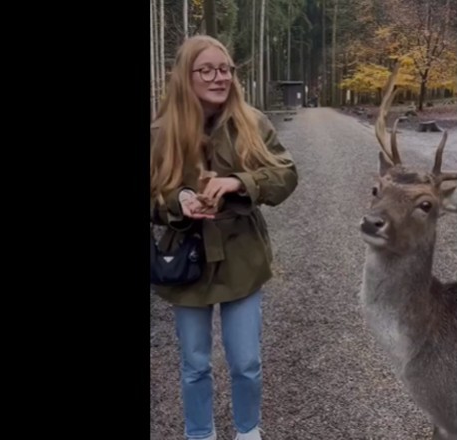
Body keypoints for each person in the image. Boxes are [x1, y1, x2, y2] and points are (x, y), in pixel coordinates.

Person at [150, 35, 298, 440]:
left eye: (226, 70)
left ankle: (248, 431)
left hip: (242, 259)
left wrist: (239, 182)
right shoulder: (161, 131)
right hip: (186, 262)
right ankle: (199, 433)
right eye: (208, 70)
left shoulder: (252, 122)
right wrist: (178, 200)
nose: (220, 78)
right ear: (186, 76)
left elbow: (286, 175)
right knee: (195, 363)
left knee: (246, 361)